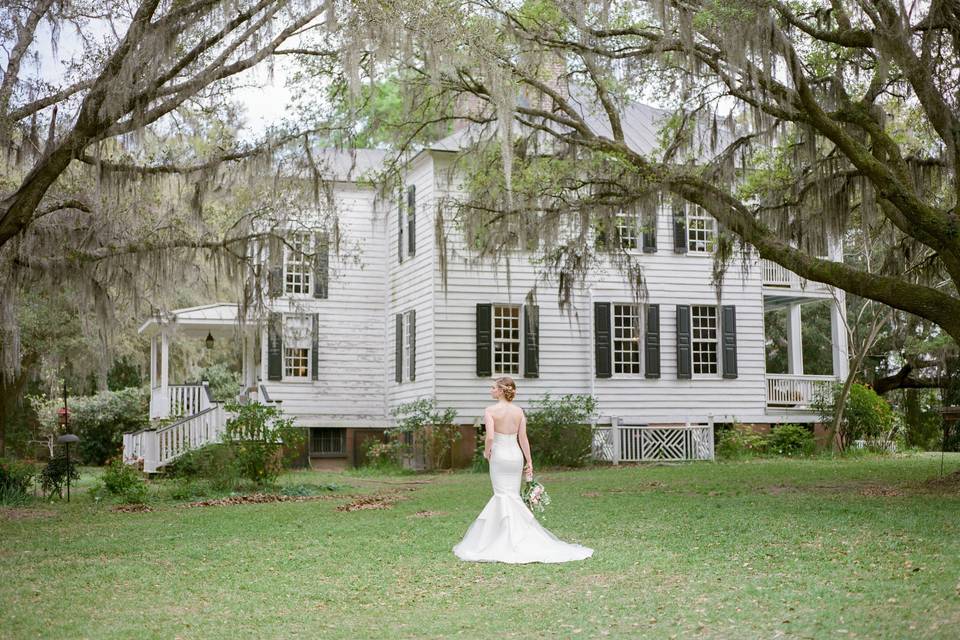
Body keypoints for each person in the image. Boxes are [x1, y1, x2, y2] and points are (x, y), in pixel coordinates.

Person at [452, 376, 594, 563]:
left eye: (493, 387)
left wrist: (487, 453)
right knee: (512, 495)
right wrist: (529, 460)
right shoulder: (519, 412)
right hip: (516, 456)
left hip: (500, 456)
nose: (491, 390)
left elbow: (490, 437)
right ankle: (518, 535)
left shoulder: (490, 411)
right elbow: (523, 438)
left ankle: (505, 539)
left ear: (501, 390)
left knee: (502, 495)